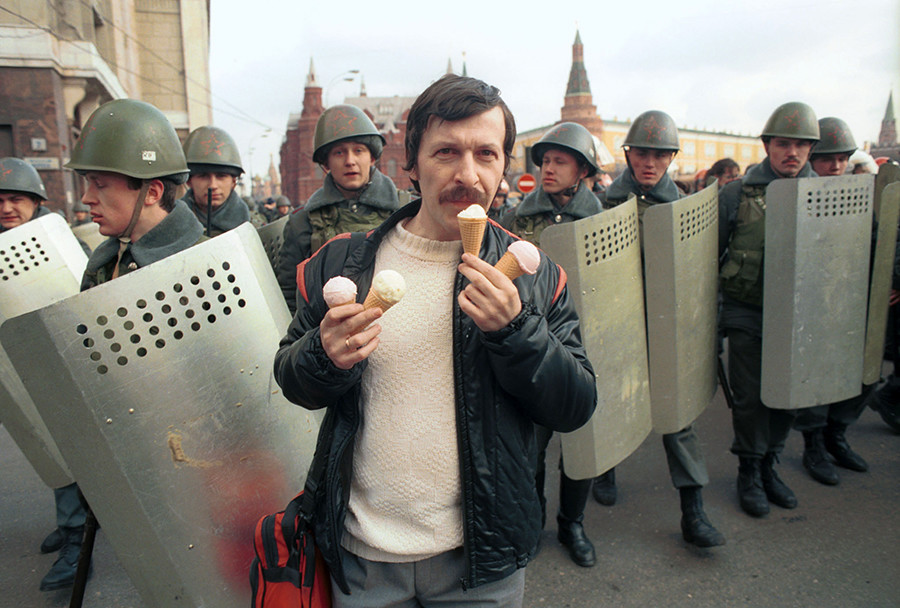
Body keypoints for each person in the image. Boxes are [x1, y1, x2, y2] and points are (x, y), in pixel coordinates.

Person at [273, 74, 597, 607]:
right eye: (446, 151)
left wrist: (517, 333)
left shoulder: (535, 276)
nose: (467, 174)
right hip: (363, 556)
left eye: (486, 154)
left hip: (482, 558)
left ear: (504, 165)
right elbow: (291, 378)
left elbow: (576, 404)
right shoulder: (343, 262)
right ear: (412, 161)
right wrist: (322, 356)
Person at [597, 110, 725, 548]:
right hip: (616, 324)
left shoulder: (684, 208)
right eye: (642, 153)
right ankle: (605, 468)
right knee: (610, 404)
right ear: (629, 155)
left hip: (665, 325)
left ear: (671, 157)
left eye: (659, 155)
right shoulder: (602, 206)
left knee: (677, 417)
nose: (650, 163)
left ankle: (694, 511)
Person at [501, 121, 601, 566]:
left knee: (583, 443)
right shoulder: (518, 217)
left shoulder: (602, 216)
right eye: (544, 160)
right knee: (533, 443)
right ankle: (536, 518)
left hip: (589, 339)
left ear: (581, 170)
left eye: (560, 161)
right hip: (537, 343)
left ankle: (573, 523)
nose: (548, 168)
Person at [718, 101, 820, 517]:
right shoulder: (737, 193)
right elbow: (711, 255)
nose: (791, 153)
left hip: (800, 314)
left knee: (789, 396)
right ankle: (748, 469)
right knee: (749, 398)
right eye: (782, 144)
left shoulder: (824, 194)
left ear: (811, 149)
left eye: (800, 145)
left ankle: (769, 463)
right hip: (747, 310)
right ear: (767, 146)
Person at [0, 157, 90, 591]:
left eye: (16, 199)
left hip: (64, 361)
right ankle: (74, 525)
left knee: (71, 448)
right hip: (17, 367)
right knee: (49, 447)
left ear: (36, 202)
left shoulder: (60, 244)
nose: (6, 208)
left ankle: (78, 539)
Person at [276, 104, 400, 315]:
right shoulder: (304, 222)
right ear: (326, 163)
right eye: (339, 153)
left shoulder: (405, 209)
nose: (350, 161)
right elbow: (287, 295)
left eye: (358, 151)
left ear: (372, 158)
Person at [180, 125, 250, 236]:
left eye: (221, 176)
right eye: (203, 176)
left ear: (233, 181)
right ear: (189, 181)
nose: (212, 185)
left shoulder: (252, 226)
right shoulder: (173, 226)